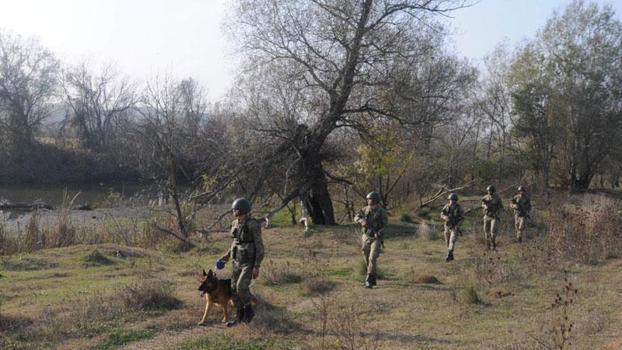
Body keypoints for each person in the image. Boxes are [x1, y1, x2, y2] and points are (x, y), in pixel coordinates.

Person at [219, 198, 264, 326]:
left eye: (235, 209)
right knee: (233, 289)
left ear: (241, 210)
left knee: (241, 287)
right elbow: (236, 241)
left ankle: (249, 311)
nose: (233, 211)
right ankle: (239, 316)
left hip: (248, 262)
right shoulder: (235, 223)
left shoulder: (253, 224)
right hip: (236, 260)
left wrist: (257, 266)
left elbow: (259, 246)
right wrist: (227, 255)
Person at [354, 191, 388, 289]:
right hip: (366, 236)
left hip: (376, 238)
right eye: (368, 199)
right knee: (366, 255)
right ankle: (372, 277)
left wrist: (380, 233)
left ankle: (369, 280)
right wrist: (361, 221)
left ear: (376, 201)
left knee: (372, 258)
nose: (369, 201)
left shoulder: (382, 212)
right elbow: (356, 216)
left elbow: (385, 225)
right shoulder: (365, 209)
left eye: (371, 199)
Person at [440, 193, 464, 262]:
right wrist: (445, 217)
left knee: (452, 241)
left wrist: (458, 225)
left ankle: (448, 255)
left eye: (453, 200)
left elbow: (462, 218)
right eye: (451, 200)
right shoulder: (446, 206)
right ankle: (451, 255)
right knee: (447, 241)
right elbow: (441, 214)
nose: (452, 201)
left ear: (456, 200)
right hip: (447, 226)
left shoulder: (459, 208)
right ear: (449, 200)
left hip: (455, 227)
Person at [481, 185, 503, 250]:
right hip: (487, 216)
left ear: (493, 191)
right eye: (488, 191)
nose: (489, 192)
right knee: (486, 232)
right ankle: (488, 246)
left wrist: (497, 213)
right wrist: (485, 206)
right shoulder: (485, 197)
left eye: (490, 191)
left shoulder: (497, 198)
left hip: (494, 216)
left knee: (493, 232)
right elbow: (482, 204)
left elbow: (501, 207)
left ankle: (493, 245)